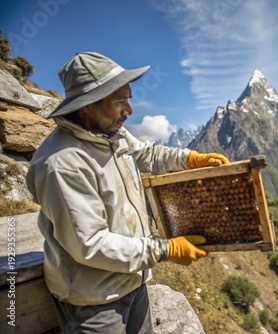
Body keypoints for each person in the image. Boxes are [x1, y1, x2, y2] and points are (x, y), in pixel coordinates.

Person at [25, 52, 230, 333]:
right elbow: (91, 245)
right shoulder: (62, 164)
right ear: (88, 105)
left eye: (129, 98)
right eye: (120, 101)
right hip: (94, 301)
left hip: (132, 281)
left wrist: (190, 158)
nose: (129, 110)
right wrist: (165, 249)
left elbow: (146, 153)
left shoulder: (111, 135)